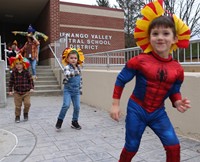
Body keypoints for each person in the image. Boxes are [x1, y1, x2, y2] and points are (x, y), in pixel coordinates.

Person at [110, 1, 191, 162]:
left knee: (174, 146)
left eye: (166, 33)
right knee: (131, 146)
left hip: (158, 113)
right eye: (155, 34)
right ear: (149, 37)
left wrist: (177, 102)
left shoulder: (178, 69)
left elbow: (173, 90)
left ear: (175, 38)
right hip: (137, 109)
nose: (160, 38)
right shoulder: (139, 61)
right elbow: (121, 80)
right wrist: (115, 105)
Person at [55, 48, 84, 130]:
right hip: (68, 90)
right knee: (66, 105)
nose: (73, 60)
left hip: (76, 91)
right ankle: (60, 120)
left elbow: (80, 80)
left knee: (77, 107)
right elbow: (67, 75)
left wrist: (80, 89)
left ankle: (74, 121)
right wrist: (75, 72)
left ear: (77, 59)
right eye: (71, 58)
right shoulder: (67, 67)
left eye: (75, 58)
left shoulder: (78, 68)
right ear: (67, 59)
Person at [8, 54, 34, 123]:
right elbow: (11, 82)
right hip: (17, 92)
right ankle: (17, 116)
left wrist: (31, 88)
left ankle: (25, 113)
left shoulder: (26, 72)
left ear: (23, 64)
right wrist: (10, 90)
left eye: (20, 64)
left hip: (26, 92)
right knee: (18, 106)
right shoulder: (13, 73)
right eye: (16, 64)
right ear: (14, 65)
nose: (18, 65)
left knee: (27, 104)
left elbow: (30, 80)